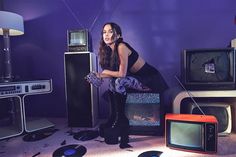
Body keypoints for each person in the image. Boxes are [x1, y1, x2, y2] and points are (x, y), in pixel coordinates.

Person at [96, 22, 168, 148]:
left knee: (119, 81)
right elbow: (113, 74)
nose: (106, 35)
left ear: (118, 35)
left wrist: (104, 73)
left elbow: (122, 74)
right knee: (113, 81)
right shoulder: (110, 50)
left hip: (151, 80)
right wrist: (98, 75)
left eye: (110, 31)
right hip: (138, 78)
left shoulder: (121, 46)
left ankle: (121, 121)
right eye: (104, 32)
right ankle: (114, 118)